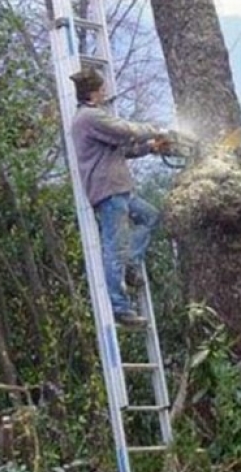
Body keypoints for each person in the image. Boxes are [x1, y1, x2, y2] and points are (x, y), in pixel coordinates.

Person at [69, 68, 170, 327]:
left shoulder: (93, 119)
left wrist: (150, 147)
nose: (105, 92)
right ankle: (120, 307)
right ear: (93, 91)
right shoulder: (90, 117)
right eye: (101, 88)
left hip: (118, 189)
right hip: (109, 192)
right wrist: (156, 129)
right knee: (113, 247)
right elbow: (126, 130)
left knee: (149, 216)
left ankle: (131, 263)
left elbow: (122, 149)